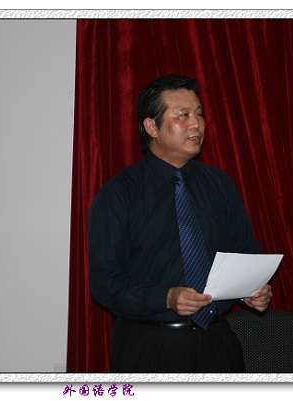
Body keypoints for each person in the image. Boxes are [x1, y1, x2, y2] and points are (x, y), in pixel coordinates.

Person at [88, 75, 272, 373]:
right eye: (183, 115)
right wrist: (166, 297)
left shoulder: (220, 184)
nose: (196, 124)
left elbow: (244, 252)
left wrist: (252, 289)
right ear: (152, 127)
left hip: (216, 339)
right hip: (151, 344)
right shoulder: (120, 193)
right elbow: (105, 282)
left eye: (198, 113)